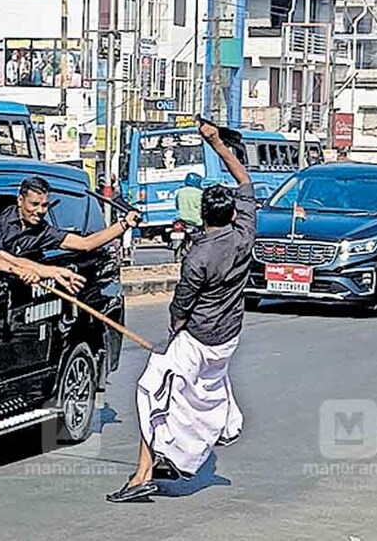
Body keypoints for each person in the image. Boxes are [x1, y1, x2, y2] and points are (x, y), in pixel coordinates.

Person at [106, 120, 255, 503]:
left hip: (198, 338)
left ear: (203, 215)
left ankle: (142, 474)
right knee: (193, 396)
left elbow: (182, 304)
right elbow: (243, 179)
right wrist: (218, 144)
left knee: (152, 389)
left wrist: (176, 330)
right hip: (228, 337)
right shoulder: (244, 235)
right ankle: (171, 457)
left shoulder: (198, 255)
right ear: (233, 214)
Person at [0, 176, 141, 260]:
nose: (40, 211)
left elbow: (85, 244)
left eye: (44, 205)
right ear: (20, 200)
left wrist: (124, 224)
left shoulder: (44, 231)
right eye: (34, 204)